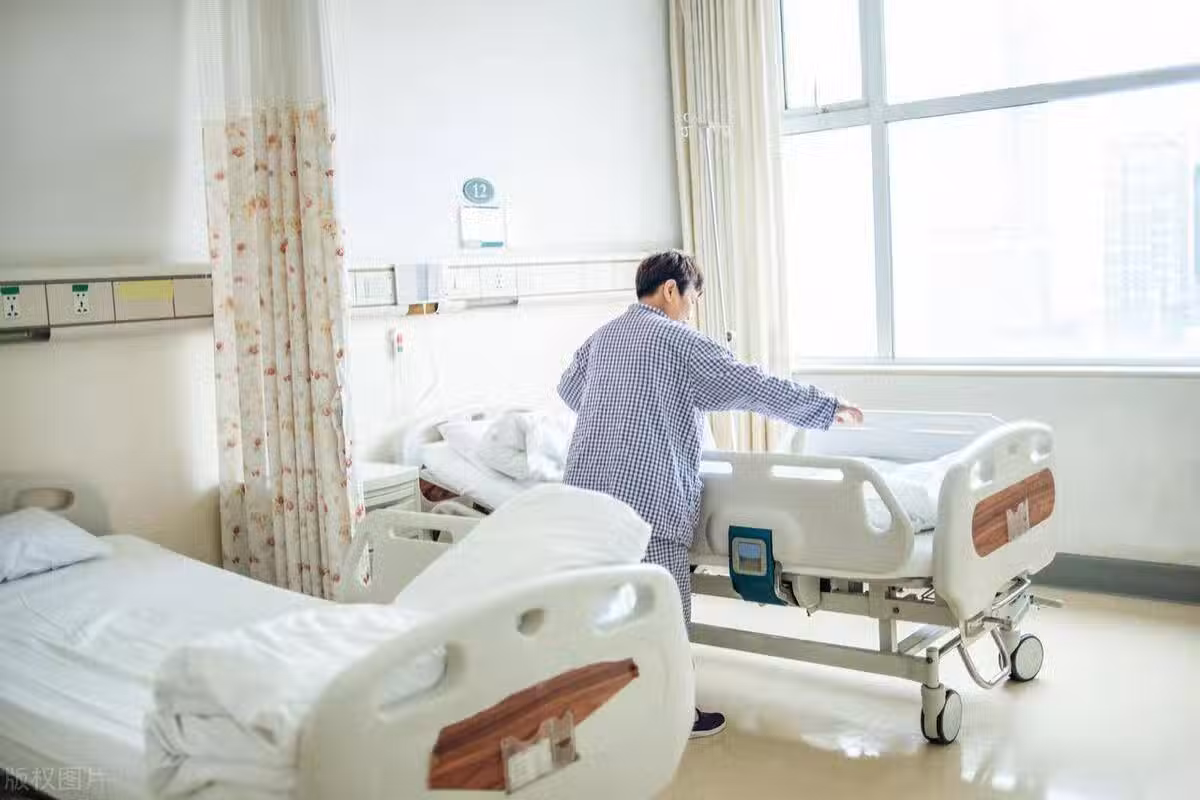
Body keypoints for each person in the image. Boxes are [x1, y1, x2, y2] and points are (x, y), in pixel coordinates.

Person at [558, 250, 862, 740]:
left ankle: (600, 708)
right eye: (692, 299)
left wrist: (624, 406)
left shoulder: (603, 337)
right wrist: (826, 408)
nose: (691, 311)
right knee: (661, 610)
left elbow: (569, 389)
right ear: (671, 290)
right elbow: (753, 386)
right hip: (648, 495)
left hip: (586, 493)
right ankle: (673, 716)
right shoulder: (679, 342)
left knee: (599, 608)